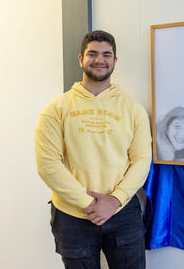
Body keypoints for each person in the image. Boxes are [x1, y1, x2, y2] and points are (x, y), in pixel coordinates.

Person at [35, 30, 151, 269]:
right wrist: (88, 203)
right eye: (93, 54)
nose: (100, 60)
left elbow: (141, 161)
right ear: (81, 59)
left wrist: (114, 200)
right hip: (72, 215)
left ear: (115, 61)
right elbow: (48, 164)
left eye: (107, 54)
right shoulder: (56, 109)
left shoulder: (133, 109)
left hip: (122, 211)